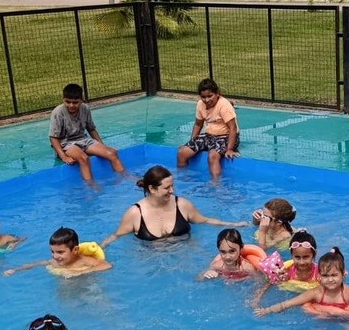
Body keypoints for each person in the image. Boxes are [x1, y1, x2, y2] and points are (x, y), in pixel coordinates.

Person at [101, 165, 247, 247]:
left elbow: (205, 220)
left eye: (172, 186)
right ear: (152, 189)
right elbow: (116, 236)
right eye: (167, 188)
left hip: (185, 259)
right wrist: (99, 249)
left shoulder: (181, 205)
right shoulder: (135, 213)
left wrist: (234, 224)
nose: (172, 191)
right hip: (152, 264)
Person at [253, 247, 349, 323]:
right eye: (325, 276)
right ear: (319, 277)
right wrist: (267, 310)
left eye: (334, 275)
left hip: (347, 320)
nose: (330, 280)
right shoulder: (316, 293)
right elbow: (289, 303)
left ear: (343, 275)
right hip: (321, 319)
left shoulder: (348, 293)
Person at [49, 83, 125, 182]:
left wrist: (102, 146)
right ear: (63, 99)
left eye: (75, 102)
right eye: (67, 102)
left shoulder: (85, 108)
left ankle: (124, 178)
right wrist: (63, 156)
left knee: (111, 153)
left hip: (83, 140)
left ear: (81, 100)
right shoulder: (58, 112)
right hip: (65, 143)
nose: (71, 105)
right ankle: (90, 186)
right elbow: (53, 137)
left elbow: (91, 129)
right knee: (83, 158)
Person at [176, 78, 240, 179]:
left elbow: (233, 128)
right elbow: (198, 124)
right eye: (203, 97)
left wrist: (229, 149)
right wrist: (191, 142)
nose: (207, 100)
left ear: (217, 93)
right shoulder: (200, 104)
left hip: (227, 136)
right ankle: (182, 178)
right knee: (182, 152)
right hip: (209, 136)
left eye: (210, 96)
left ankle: (216, 185)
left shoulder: (224, 105)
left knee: (212, 155)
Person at [3, 227, 111, 277]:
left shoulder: (84, 261)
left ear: (75, 250)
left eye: (60, 252)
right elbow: (35, 264)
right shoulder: (54, 262)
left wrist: (79, 272)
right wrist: (15, 270)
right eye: (52, 251)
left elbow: (106, 265)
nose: (55, 256)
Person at [250, 230, 319, 308]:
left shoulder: (319, 273)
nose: (301, 262)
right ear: (291, 255)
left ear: (314, 255)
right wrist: (257, 298)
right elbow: (269, 283)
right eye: (297, 257)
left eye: (306, 257)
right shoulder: (286, 270)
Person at [197, 229, 261, 280]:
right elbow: (198, 279)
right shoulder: (218, 266)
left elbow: (259, 281)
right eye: (223, 252)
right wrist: (206, 275)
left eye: (232, 251)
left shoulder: (246, 267)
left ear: (241, 248)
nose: (227, 257)